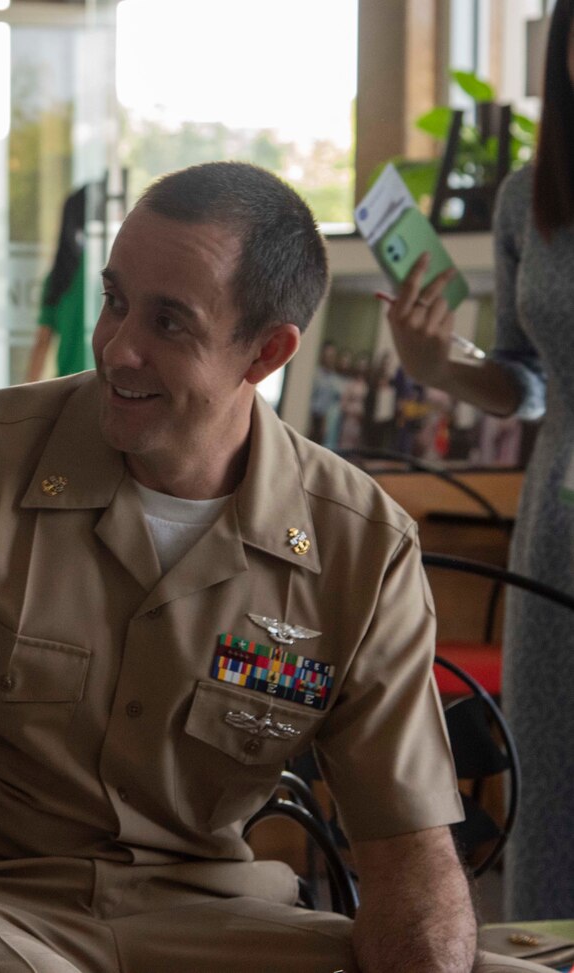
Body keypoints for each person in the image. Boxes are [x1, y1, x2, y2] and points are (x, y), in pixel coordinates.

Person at [0, 162, 545, 973]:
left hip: (215, 921)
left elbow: (408, 853)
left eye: (169, 323)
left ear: (267, 352)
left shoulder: (359, 543)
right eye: (115, 300)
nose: (119, 347)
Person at [383, 0, 574, 920]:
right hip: (558, 534)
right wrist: (438, 362)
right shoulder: (532, 198)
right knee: (553, 796)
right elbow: (528, 382)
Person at [26, 186, 93, 382]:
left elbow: (42, 343)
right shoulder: (111, 271)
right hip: (102, 388)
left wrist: (22, 400)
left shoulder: (59, 276)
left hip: (67, 389)